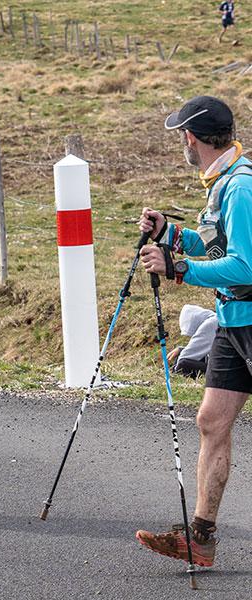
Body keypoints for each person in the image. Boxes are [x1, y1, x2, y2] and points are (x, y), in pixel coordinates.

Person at [136, 95, 252, 567]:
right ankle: (200, 539)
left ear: (191, 137)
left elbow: (244, 265)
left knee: (212, 423)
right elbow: (217, 242)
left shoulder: (241, 187)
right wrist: (170, 233)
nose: (179, 143)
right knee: (211, 421)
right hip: (232, 321)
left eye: (179, 135)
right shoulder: (223, 181)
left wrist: (178, 269)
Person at [168, 304, 218, 379]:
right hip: (226, 366)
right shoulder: (216, 319)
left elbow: (185, 357)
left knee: (183, 364)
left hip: (225, 370)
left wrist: (174, 373)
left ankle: (175, 378)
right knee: (182, 359)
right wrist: (181, 349)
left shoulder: (211, 323)